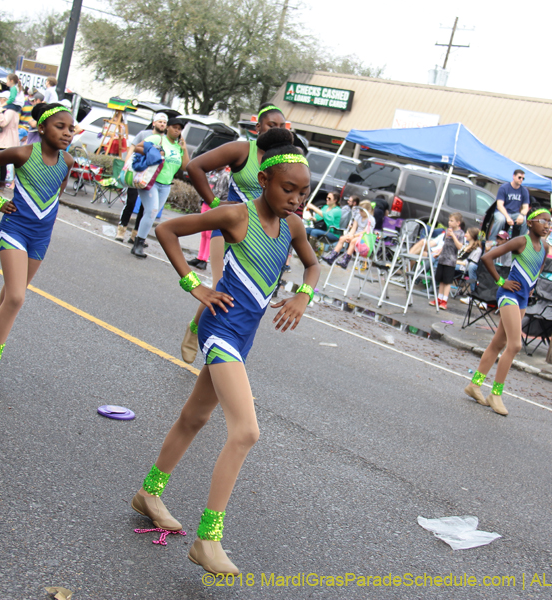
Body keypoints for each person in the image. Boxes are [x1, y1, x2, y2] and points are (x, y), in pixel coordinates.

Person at [133, 128, 319, 575]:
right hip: (219, 331)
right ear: (265, 181)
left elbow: (313, 265)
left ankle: (148, 492)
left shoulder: (292, 225)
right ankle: (207, 539)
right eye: (288, 189)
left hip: (244, 336)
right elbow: (166, 229)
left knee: (194, 418)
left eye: (304, 192)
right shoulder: (236, 215)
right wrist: (194, 285)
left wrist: (301, 297)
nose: (296, 199)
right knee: (246, 432)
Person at [0, 103, 74, 396]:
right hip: (15, 230)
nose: (67, 133)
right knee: (16, 297)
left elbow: (56, 194)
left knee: (7, 296)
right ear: (41, 129)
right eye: (60, 127)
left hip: (41, 238)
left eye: (71, 129)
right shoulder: (23, 154)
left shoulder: (68, 162)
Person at [180, 103, 289, 362]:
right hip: (230, 230)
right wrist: (215, 203)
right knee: (222, 287)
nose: (276, 129)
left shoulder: (285, 161)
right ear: (258, 127)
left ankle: (226, 351)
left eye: (281, 126)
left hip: (262, 241)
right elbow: (194, 167)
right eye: (271, 125)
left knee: (249, 298)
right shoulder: (242, 150)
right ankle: (197, 329)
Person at [464, 208, 552, 416]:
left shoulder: (545, 247)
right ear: (530, 223)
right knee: (515, 344)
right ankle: (496, 393)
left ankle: (474, 385)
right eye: (543, 221)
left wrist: (531, 287)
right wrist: (501, 281)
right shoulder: (521, 241)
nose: (547, 225)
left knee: (498, 343)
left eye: (550, 222)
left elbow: (538, 269)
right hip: (508, 295)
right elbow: (487, 257)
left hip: (522, 298)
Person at [130, 116, 190, 257]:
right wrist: (155, 152)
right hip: (151, 182)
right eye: (174, 127)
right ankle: (138, 243)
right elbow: (138, 147)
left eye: (179, 129)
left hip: (166, 186)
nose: (176, 130)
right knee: (152, 211)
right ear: (168, 127)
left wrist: (185, 148)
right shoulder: (158, 139)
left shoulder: (178, 147)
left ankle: (138, 239)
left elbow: (185, 166)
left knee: (152, 213)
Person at [116, 113, 168, 242]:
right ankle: (121, 229)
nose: (162, 124)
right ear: (154, 123)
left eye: (164, 122)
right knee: (131, 201)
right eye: (160, 121)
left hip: (151, 176)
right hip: (137, 171)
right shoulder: (144, 134)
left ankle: (135, 235)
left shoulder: (165, 140)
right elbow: (132, 148)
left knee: (145, 207)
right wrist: (126, 166)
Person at [321, 200, 373, 268]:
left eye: (362, 211)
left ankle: (346, 260)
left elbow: (365, 231)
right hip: (355, 235)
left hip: (364, 239)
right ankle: (333, 256)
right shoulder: (358, 217)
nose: (360, 212)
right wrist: (350, 235)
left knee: (354, 241)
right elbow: (354, 228)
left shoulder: (370, 219)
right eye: (360, 211)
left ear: (368, 211)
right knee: (342, 238)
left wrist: (353, 236)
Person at [0, 91, 21, 188]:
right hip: (6, 139)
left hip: (4, 139)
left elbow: (3, 123)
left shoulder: (9, 111)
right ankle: (0, 183)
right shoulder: (14, 111)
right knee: (2, 162)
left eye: (1, 99)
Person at [430, 213, 464, 310]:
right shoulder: (447, 231)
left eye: (452, 221)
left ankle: (445, 300)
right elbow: (445, 244)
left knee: (447, 281)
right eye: (449, 220)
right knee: (441, 280)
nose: (449, 222)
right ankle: (439, 298)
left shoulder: (460, 233)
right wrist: (439, 252)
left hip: (451, 261)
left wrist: (453, 235)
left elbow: (460, 247)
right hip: (442, 259)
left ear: (458, 223)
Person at [488, 169, 530, 242]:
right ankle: (492, 241)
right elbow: (499, 205)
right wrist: (507, 217)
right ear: (513, 176)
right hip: (502, 212)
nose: (521, 180)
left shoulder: (524, 191)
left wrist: (521, 215)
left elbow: (525, 207)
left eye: (523, 178)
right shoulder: (504, 188)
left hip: (515, 214)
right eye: (519, 177)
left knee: (525, 220)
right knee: (500, 220)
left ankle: (521, 242)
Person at [456, 227, 482, 299]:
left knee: (446, 264)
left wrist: (455, 261)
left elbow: (470, 263)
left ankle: (473, 294)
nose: (465, 234)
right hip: (455, 263)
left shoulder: (477, 250)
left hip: (462, 267)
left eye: (467, 233)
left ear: (472, 235)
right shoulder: (465, 246)